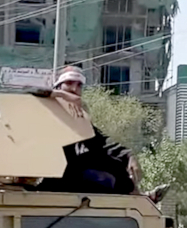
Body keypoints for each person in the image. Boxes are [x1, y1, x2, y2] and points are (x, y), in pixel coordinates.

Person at [33, 66, 143, 195]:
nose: (74, 89)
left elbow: (102, 143)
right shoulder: (44, 110)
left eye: (79, 85)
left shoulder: (78, 117)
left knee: (113, 164)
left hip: (78, 181)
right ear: (58, 86)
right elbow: (31, 91)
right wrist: (60, 95)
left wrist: (129, 156)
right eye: (68, 83)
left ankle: (138, 196)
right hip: (53, 179)